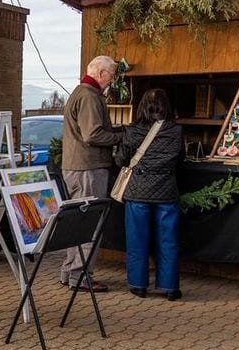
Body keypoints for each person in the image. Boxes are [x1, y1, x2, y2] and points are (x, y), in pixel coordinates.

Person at [59, 55, 124, 292]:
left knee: (77, 221)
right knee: (89, 223)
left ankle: (69, 271)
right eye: (112, 74)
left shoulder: (80, 92)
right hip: (88, 168)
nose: (112, 80)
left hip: (76, 166)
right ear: (101, 73)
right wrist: (121, 136)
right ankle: (80, 275)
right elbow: (93, 135)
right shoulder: (89, 96)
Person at [114, 88, 184, 301]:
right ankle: (170, 288)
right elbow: (180, 159)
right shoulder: (176, 130)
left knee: (137, 240)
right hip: (166, 192)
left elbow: (121, 160)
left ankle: (138, 285)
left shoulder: (132, 130)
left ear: (142, 106)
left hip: (138, 191)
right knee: (168, 241)